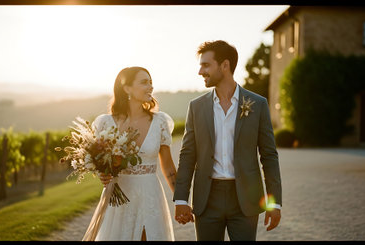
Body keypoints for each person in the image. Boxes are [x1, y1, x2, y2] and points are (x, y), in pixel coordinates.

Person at [173, 40, 282, 241]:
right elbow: (187, 155)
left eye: (206, 65)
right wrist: (181, 198)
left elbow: (268, 156)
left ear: (225, 65)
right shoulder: (196, 107)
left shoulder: (258, 104)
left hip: (245, 200)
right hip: (207, 199)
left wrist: (274, 203)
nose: (200, 71)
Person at [88, 66, 177, 241]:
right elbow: (100, 161)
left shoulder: (160, 122)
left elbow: (168, 166)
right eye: (144, 82)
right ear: (127, 88)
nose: (150, 87)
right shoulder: (106, 123)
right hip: (120, 199)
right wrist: (103, 173)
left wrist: (181, 201)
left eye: (151, 82)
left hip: (150, 195)